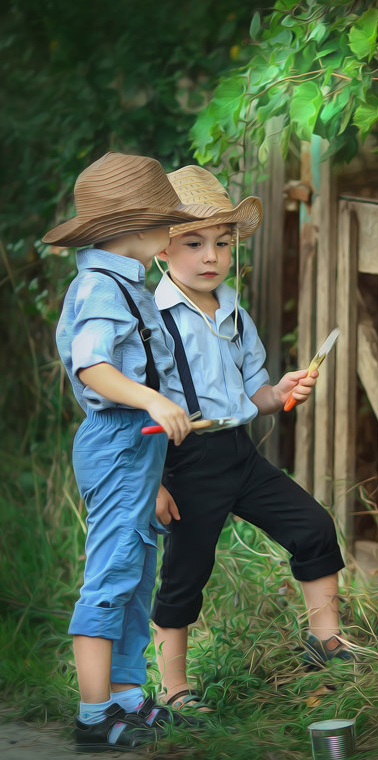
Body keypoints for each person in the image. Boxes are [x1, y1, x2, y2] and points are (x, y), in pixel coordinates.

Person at [150, 165, 354, 715]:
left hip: (239, 453)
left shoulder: (234, 313)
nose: (211, 256)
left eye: (221, 242)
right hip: (183, 463)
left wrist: (280, 391)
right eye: (193, 243)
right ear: (161, 251)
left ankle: (325, 640)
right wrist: (154, 485)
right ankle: (172, 689)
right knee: (185, 573)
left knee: (312, 526)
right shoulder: (153, 321)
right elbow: (136, 410)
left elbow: (253, 395)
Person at [42, 152, 209, 752]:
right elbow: (94, 366)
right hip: (116, 439)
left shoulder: (122, 283)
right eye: (168, 221)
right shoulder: (99, 287)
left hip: (136, 451)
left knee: (137, 575)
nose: (172, 231)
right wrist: (153, 402)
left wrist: (155, 476)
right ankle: (92, 716)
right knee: (111, 574)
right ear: (137, 229)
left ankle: (124, 694)